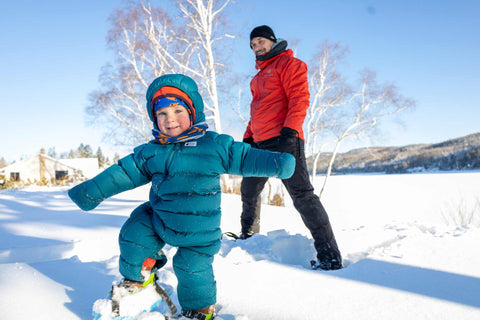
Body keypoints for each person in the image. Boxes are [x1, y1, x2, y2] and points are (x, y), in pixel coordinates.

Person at [68, 74, 295, 320]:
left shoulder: (213, 146)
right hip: (159, 219)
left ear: (193, 111)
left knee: (192, 270)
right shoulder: (151, 151)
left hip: (199, 232)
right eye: (162, 113)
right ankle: (138, 282)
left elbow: (243, 157)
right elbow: (123, 173)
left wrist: (277, 162)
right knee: (134, 234)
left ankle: (199, 310)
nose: (170, 119)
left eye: (177, 110)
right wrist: (91, 192)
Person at [240, 25, 343, 270]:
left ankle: (330, 255)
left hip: (285, 139)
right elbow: (256, 112)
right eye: (253, 45)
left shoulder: (290, 64)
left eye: (260, 42)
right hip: (260, 144)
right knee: (249, 189)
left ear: (273, 41)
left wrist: (290, 130)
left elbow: (299, 98)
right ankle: (248, 239)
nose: (257, 47)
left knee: (302, 196)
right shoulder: (257, 78)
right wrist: (248, 137)